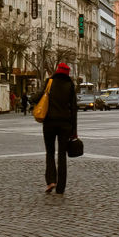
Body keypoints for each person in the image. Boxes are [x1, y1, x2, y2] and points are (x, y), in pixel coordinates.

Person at [32, 62, 78, 194]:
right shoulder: (70, 85)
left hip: (49, 123)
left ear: (57, 70)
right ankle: (61, 187)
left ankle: (51, 180)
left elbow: (38, 96)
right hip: (65, 125)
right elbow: (74, 110)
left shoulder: (50, 81)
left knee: (50, 152)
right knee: (62, 155)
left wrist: (32, 99)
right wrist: (74, 131)